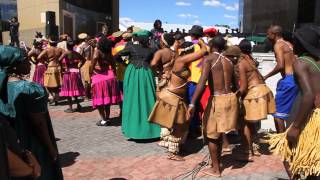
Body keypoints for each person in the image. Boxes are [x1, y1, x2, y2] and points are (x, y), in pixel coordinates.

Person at [0, 45, 63, 179]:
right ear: (14, 66)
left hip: (14, 145)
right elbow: (39, 124)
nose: (29, 63)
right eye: (25, 60)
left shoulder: (2, 88)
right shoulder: (29, 90)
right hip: (33, 144)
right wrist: (51, 149)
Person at [268, 25, 320, 180]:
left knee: (287, 151)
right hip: (316, 117)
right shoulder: (317, 62)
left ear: (302, 44)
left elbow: (309, 94)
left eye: (294, 41)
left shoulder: (301, 63)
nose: (292, 45)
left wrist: (296, 127)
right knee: (312, 162)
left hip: (309, 118)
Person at [187, 37, 239, 177]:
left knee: (211, 135)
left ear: (210, 45)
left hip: (217, 99)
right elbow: (236, 85)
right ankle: (218, 162)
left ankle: (216, 169)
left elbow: (201, 83)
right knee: (219, 132)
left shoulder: (209, 59)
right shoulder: (229, 61)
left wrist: (192, 103)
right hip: (229, 98)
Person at [149, 40, 207, 160]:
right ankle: (173, 153)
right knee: (180, 125)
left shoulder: (180, 60)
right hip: (171, 97)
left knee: (183, 124)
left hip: (176, 98)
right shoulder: (180, 60)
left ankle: (177, 146)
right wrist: (201, 42)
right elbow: (203, 51)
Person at [237, 39, 276, 161]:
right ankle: (255, 148)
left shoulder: (242, 63)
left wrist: (236, 95)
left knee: (245, 123)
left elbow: (243, 87)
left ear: (239, 49)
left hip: (254, 93)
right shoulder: (252, 60)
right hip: (263, 90)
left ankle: (247, 152)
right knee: (252, 123)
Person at [116, 31, 160, 139]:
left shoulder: (131, 48)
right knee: (148, 99)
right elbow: (155, 63)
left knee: (132, 99)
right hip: (146, 73)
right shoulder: (152, 50)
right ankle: (151, 130)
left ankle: (133, 129)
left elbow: (117, 56)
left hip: (132, 73)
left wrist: (125, 63)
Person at [264, 25, 299, 133]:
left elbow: (280, 65)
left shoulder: (278, 45)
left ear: (274, 34)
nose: (267, 35)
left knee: (278, 114)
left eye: (268, 33)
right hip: (296, 80)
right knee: (289, 113)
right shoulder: (289, 44)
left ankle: (281, 142)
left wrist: (266, 76)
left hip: (288, 81)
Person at [150, 33, 175, 148]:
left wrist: (158, 72)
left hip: (163, 80)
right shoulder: (174, 53)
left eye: (160, 40)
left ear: (163, 42)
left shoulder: (160, 52)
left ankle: (165, 136)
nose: (159, 41)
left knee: (161, 106)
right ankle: (171, 132)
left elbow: (153, 63)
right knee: (171, 106)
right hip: (172, 81)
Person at [91, 36, 122, 126]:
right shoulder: (109, 52)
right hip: (109, 76)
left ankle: (103, 119)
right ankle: (107, 118)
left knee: (99, 100)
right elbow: (113, 64)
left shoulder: (98, 51)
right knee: (106, 100)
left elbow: (94, 61)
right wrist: (114, 74)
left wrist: (91, 72)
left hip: (99, 77)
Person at [187, 25, 206, 138]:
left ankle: (192, 129)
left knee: (191, 104)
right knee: (200, 106)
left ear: (192, 35)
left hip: (193, 80)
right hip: (204, 81)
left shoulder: (191, 47)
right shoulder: (206, 47)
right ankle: (199, 127)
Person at [58, 40, 86, 113]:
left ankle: (70, 107)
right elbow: (84, 60)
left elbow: (59, 60)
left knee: (68, 90)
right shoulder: (76, 53)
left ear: (67, 46)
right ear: (73, 46)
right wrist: (79, 66)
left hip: (69, 72)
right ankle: (78, 105)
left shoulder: (66, 53)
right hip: (76, 72)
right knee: (75, 90)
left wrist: (62, 68)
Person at [38, 38, 64, 105]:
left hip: (50, 67)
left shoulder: (47, 49)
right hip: (58, 67)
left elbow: (39, 57)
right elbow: (65, 54)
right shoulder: (60, 49)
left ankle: (52, 97)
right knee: (57, 84)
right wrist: (59, 60)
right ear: (56, 43)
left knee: (47, 84)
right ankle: (56, 99)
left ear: (50, 43)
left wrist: (45, 62)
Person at [77, 33, 93, 100]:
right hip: (92, 62)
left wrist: (80, 63)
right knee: (90, 80)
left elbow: (80, 56)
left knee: (86, 80)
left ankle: (86, 96)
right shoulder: (92, 46)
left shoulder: (82, 47)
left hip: (85, 63)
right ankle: (89, 95)